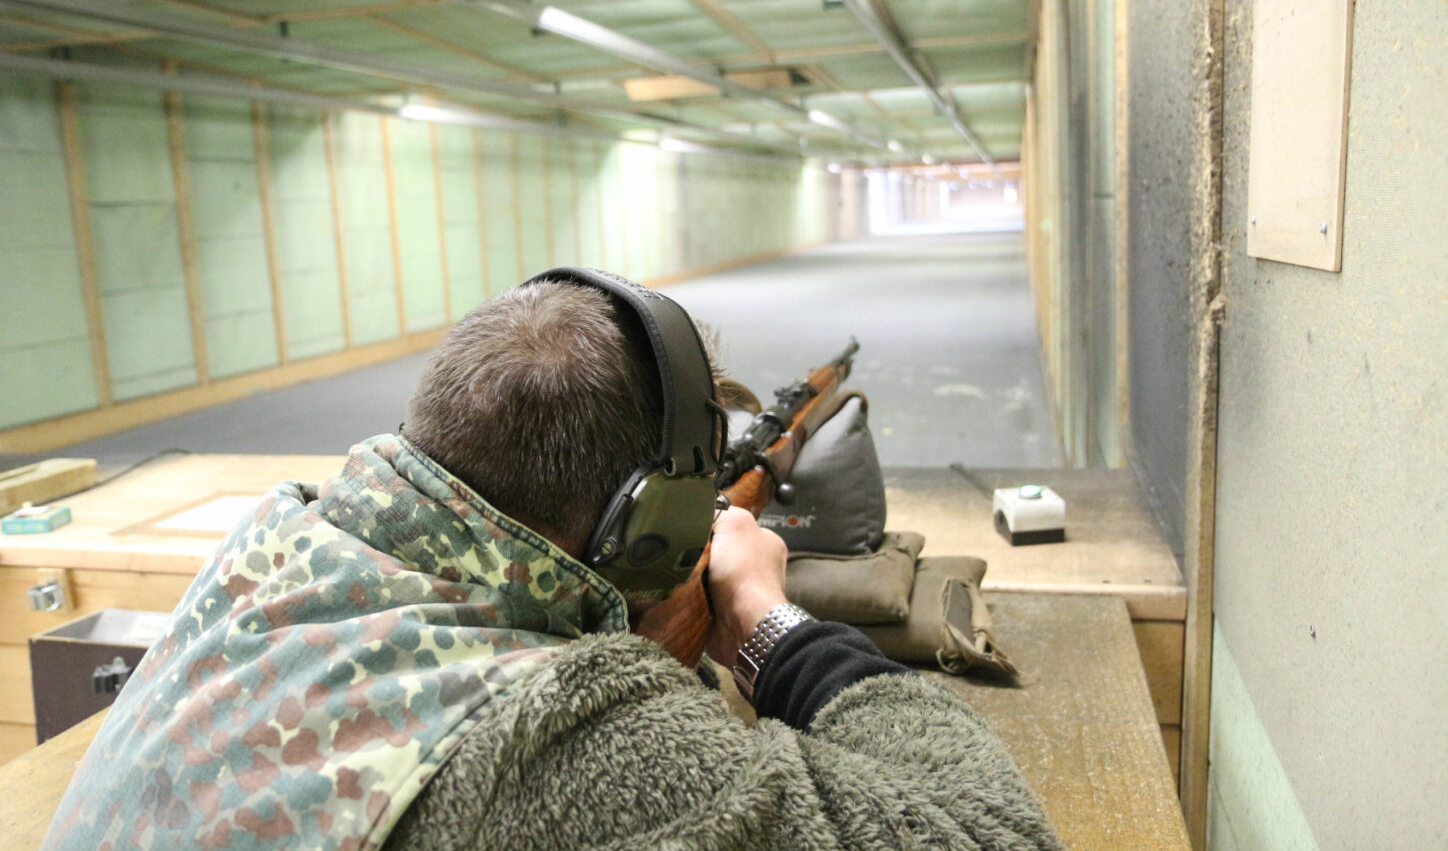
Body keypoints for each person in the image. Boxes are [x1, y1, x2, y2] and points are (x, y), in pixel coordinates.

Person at [43, 270, 1061, 851]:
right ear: (651, 522)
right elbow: (998, 835)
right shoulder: (558, 727)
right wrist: (767, 623)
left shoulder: (272, 548)